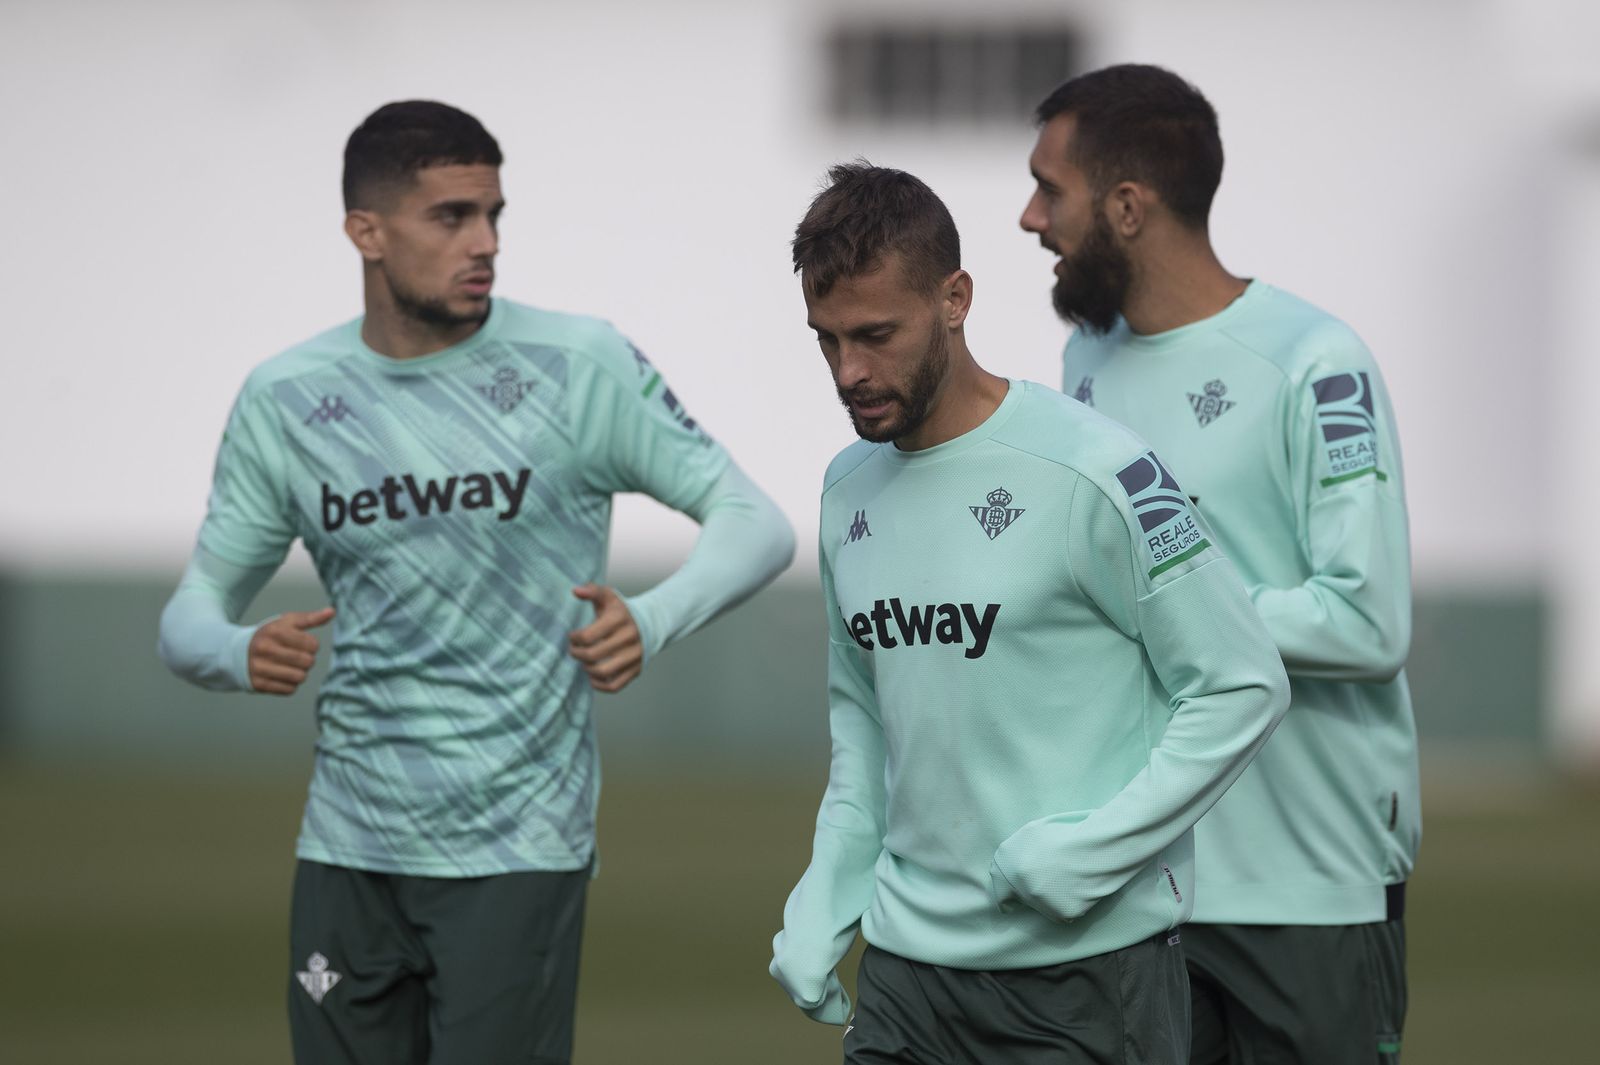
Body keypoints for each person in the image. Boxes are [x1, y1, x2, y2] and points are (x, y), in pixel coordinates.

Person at [156, 100, 794, 1065]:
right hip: (346, 849)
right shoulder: (284, 399)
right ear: (365, 232)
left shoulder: (576, 364)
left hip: (518, 850)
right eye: (451, 216)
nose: (485, 242)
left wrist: (653, 619)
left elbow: (756, 523)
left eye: (494, 214)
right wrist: (238, 651)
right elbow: (187, 617)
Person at [768, 162, 1289, 1064]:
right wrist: (831, 879)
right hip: (903, 979)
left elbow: (1241, 685)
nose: (850, 371)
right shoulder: (844, 487)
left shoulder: (1099, 472)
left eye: (876, 334)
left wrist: (1091, 853)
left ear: (955, 297)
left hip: (1084, 981)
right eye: (827, 341)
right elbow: (863, 714)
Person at [1020, 64, 1421, 1065]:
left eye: (1049, 188)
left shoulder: (1315, 362)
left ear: (1125, 205)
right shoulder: (1086, 365)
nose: (1029, 217)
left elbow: (1367, 622)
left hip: (1307, 885)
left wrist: (1170, 605)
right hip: (1148, 886)